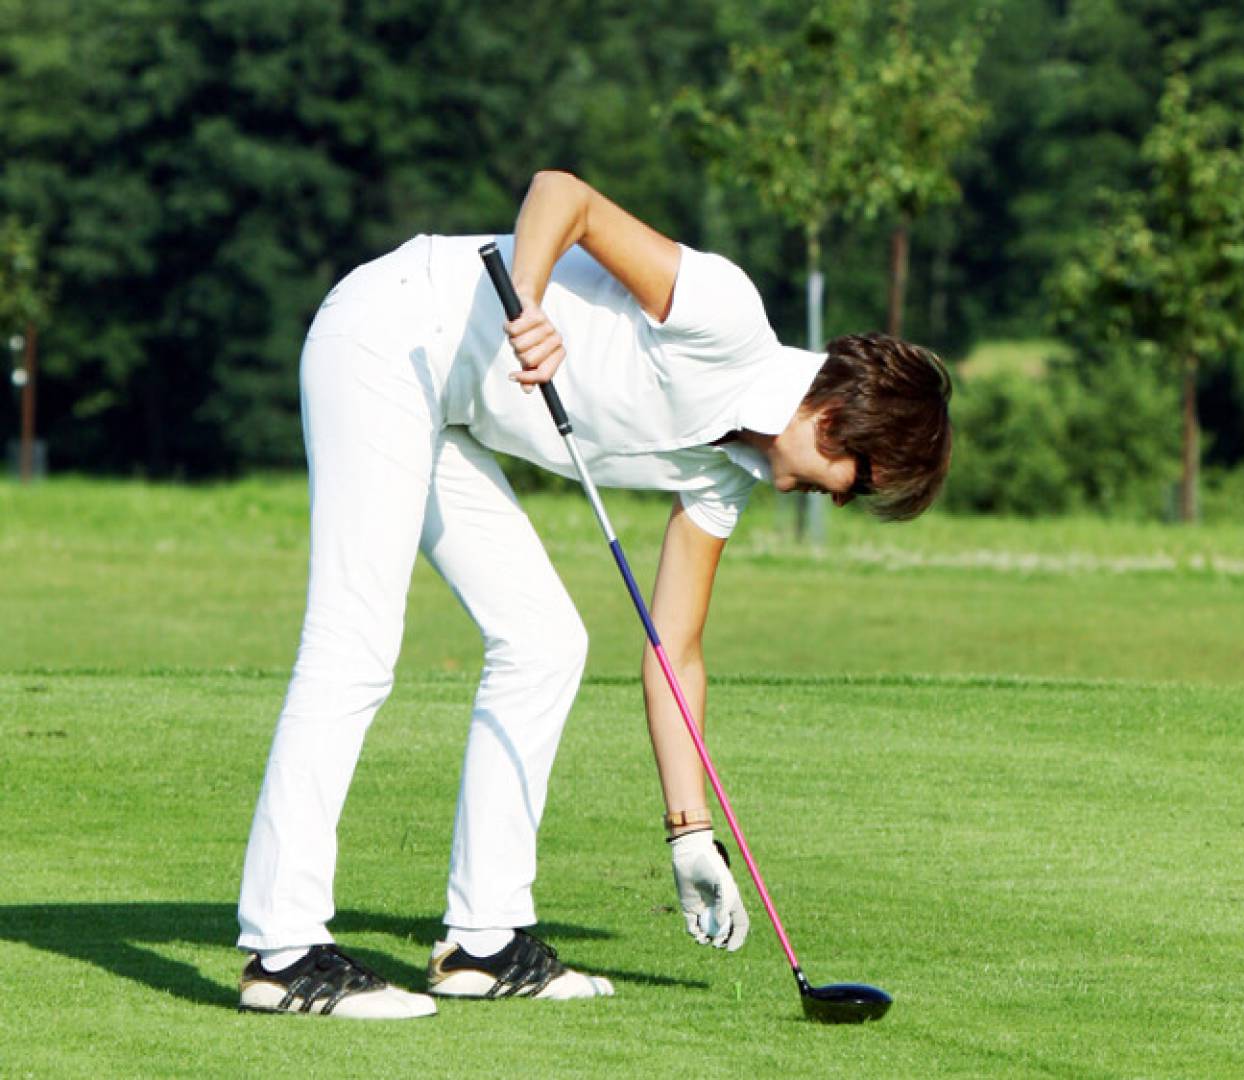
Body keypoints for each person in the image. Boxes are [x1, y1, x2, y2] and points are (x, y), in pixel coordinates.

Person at [234, 170, 953, 1018]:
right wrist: (528, 303)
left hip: (448, 412)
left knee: (545, 642)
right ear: (833, 424)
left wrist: (690, 835)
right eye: (852, 482)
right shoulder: (723, 314)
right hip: (389, 336)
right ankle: (282, 953)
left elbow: (674, 646)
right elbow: (561, 195)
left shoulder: (731, 476)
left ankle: (485, 942)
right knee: (354, 639)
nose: (838, 497)